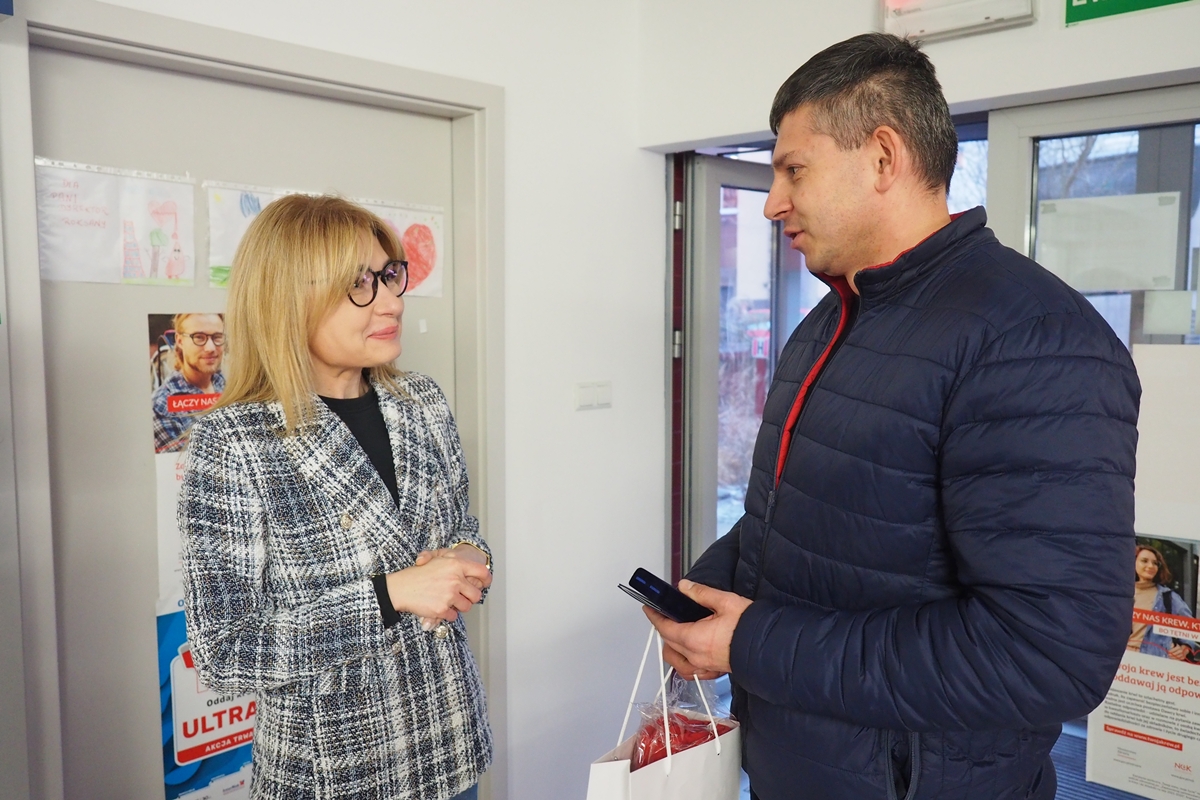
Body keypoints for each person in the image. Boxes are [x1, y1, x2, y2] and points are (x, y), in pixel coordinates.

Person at [644, 33, 1139, 800]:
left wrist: (753, 643)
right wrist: (709, 589)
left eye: (793, 170)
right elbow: (807, 513)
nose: (772, 201)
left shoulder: (1033, 342)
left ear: (882, 157)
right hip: (796, 770)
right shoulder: (830, 323)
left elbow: (1048, 656)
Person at [178, 195, 493, 800]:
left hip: (449, 742)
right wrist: (390, 595)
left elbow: (463, 531)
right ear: (287, 300)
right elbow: (224, 652)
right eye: (359, 285)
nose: (392, 301)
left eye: (389, 275)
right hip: (335, 770)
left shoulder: (421, 402)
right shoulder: (235, 439)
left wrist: (470, 559)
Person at [152, 312, 226, 453]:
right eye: (199, 337)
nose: (211, 348)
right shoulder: (161, 406)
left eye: (217, 337)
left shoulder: (228, 385)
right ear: (179, 341)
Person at [1131, 544, 1197, 661]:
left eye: (1155, 563)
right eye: (1144, 561)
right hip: (1122, 661)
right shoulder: (1121, 594)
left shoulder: (1168, 597)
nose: (1150, 566)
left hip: (1154, 662)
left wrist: (1185, 647)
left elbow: (1191, 628)